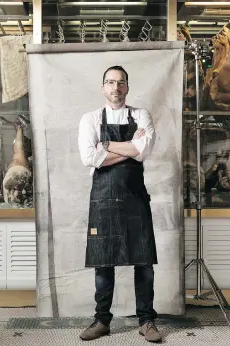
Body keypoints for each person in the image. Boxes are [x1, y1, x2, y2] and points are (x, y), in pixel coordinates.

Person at [78, 66, 161, 343]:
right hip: (102, 200)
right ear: (103, 87)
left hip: (135, 198)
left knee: (144, 263)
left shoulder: (141, 115)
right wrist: (129, 148)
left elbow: (144, 150)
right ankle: (102, 320)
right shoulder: (89, 119)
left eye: (121, 83)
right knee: (103, 263)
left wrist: (108, 145)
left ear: (128, 87)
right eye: (110, 82)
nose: (116, 88)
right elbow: (90, 158)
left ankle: (146, 321)